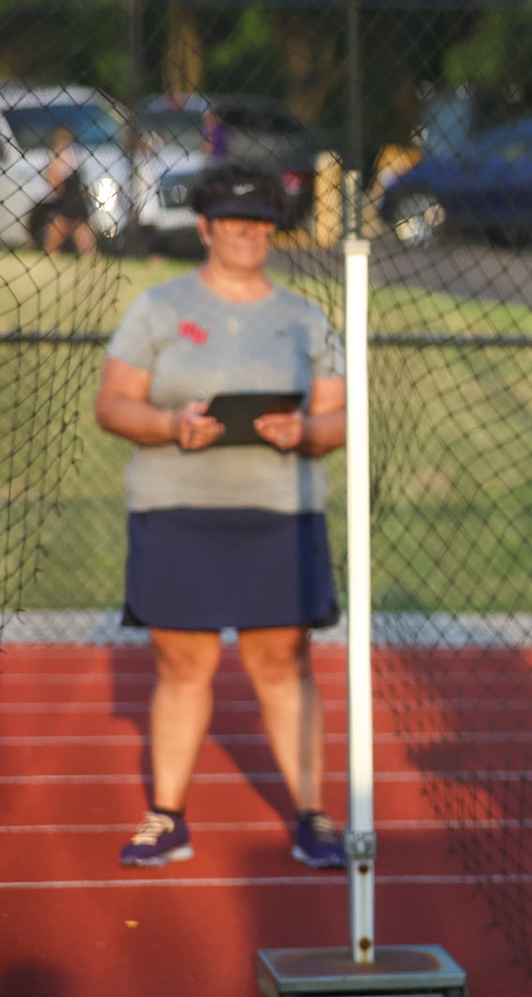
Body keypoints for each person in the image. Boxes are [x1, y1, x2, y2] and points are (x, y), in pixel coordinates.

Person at [93, 163, 347, 871]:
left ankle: (312, 816)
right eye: (235, 221)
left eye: (262, 222)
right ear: (205, 228)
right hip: (178, 508)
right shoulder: (159, 307)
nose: (248, 234)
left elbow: (337, 416)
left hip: (277, 511)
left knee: (281, 661)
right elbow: (113, 405)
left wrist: (305, 432)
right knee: (184, 662)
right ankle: (167, 816)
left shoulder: (303, 316)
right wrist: (171, 424)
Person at [35, 126, 98, 257]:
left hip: (67, 200)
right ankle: (91, 256)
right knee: (70, 231)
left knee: (64, 231)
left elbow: (54, 182)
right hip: (73, 200)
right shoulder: (74, 155)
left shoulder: (58, 157)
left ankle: (52, 255)